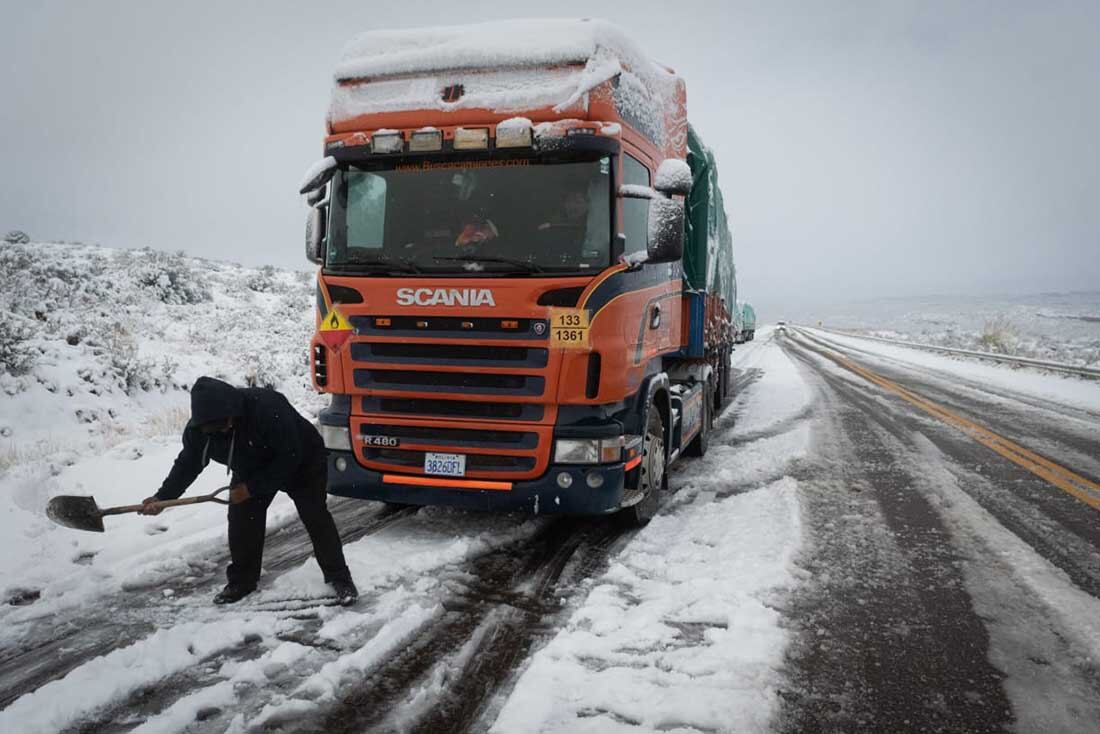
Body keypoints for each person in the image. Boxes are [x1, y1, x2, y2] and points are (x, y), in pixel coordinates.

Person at [141, 377, 358, 606]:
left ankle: (339, 578)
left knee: (315, 515)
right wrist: (164, 497)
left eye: (222, 426)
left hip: (302, 460)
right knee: (242, 519)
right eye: (211, 429)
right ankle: (242, 582)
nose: (218, 432)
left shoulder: (267, 407)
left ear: (232, 412)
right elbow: (188, 464)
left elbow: (289, 456)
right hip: (250, 466)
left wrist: (252, 488)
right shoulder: (201, 429)